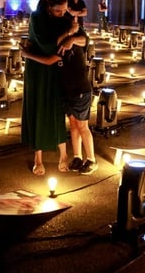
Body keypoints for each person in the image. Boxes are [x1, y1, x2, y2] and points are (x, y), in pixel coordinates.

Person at [21, 13, 97, 175]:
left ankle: (91, 160)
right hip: (68, 91)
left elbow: (49, 60)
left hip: (80, 90)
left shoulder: (68, 45)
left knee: (82, 126)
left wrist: (27, 55)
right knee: (73, 125)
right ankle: (77, 156)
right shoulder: (61, 43)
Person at [21, 0, 70, 176]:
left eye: (64, 10)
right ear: (49, 7)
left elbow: (82, 35)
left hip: (56, 69)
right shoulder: (37, 17)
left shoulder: (62, 17)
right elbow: (48, 45)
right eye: (58, 10)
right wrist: (67, 34)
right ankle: (38, 158)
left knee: (57, 108)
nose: (62, 14)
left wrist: (73, 35)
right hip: (38, 70)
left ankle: (63, 155)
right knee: (39, 108)